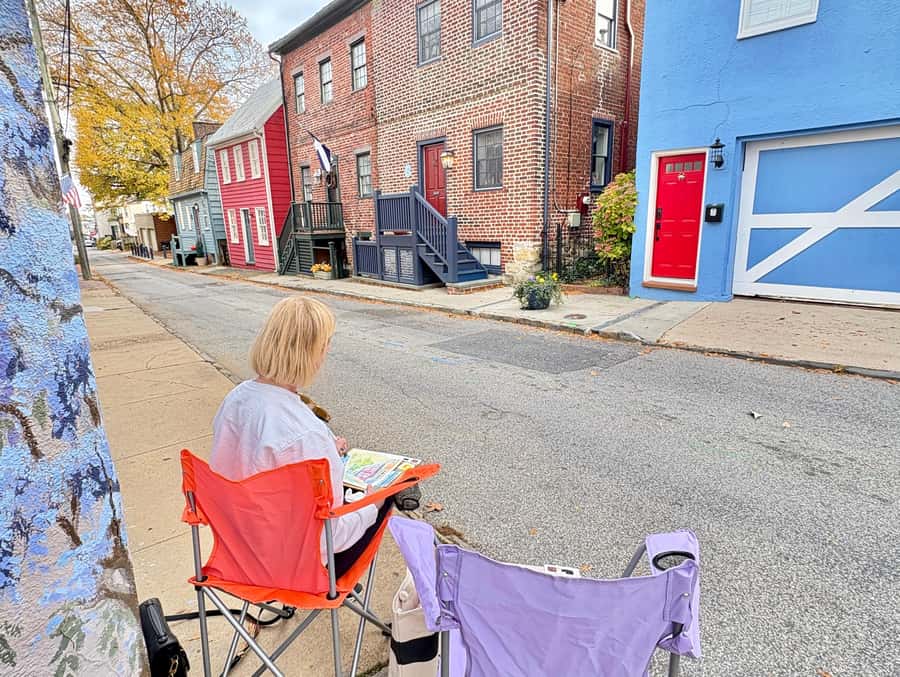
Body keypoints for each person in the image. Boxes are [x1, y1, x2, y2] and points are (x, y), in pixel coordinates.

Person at [209, 296, 388, 576]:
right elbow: (332, 536)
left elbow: (254, 459)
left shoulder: (236, 399)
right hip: (297, 566)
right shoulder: (305, 433)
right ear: (311, 353)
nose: (328, 350)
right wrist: (373, 505)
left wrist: (329, 452)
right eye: (326, 343)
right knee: (386, 495)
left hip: (239, 550)